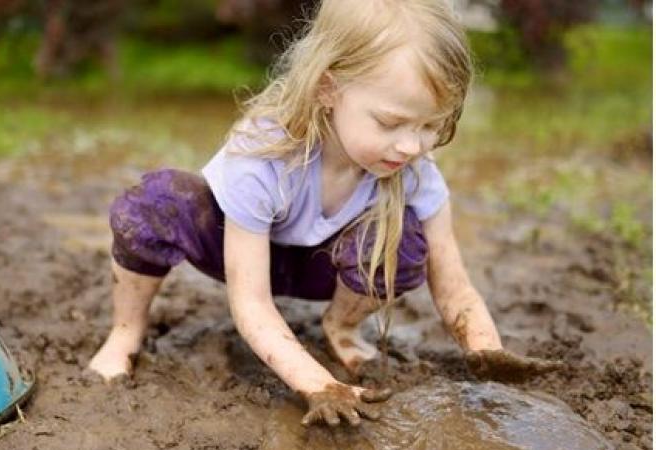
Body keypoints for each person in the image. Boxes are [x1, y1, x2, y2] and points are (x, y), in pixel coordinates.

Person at [88, 0, 562, 427]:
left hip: (326, 270)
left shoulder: (414, 169)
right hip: (239, 256)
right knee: (153, 203)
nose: (411, 145)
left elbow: (453, 282)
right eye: (391, 122)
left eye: (431, 125)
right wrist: (317, 384)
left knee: (404, 237)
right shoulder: (264, 157)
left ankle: (341, 325)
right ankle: (125, 332)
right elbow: (250, 303)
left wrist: (485, 349)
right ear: (328, 88)